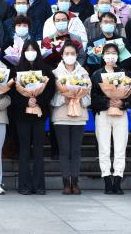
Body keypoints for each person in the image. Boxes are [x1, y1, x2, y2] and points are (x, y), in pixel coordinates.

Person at [10, 40, 54, 195]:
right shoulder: (16, 70)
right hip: (22, 115)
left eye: (33, 49)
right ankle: (24, 185)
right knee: (24, 150)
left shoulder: (46, 70)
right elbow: (12, 94)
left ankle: (39, 185)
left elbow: (50, 91)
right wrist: (26, 102)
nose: (30, 52)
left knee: (39, 150)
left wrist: (38, 100)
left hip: (39, 115)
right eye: (27, 50)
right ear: (23, 52)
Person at [90, 42, 131, 195]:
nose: (111, 56)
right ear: (103, 56)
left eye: (114, 53)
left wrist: (122, 103)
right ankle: (107, 180)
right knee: (104, 148)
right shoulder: (97, 74)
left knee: (120, 147)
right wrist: (107, 102)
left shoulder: (125, 74)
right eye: (108, 53)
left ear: (118, 56)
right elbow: (92, 97)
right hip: (103, 114)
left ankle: (118, 180)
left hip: (120, 114)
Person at [51, 43, 89, 195]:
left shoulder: (84, 73)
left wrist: (79, 97)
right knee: (64, 150)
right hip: (61, 116)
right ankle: (66, 182)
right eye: (66, 53)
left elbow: (88, 98)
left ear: (77, 55)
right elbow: (51, 98)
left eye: (72, 53)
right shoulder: (55, 73)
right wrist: (64, 98)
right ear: (62, 55)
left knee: (76, 150)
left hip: (79, 115)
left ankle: (75, 181)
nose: (70, 56)